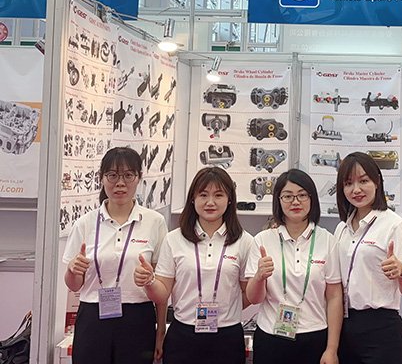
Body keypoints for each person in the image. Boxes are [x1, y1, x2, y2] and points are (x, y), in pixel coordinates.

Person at [135, 167, 253, 364]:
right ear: (193, 199)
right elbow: (162, 294)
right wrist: (149, 280)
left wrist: (227, 307)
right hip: (183, 335)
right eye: (203, 195)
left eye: (218, 195)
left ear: (229, 199)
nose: (210, 202)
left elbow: (248, 293)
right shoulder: (174, 239)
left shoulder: (245, 241)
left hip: (227, 337)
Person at [63, 147, 168, 364]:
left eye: (128, 175)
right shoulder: (85, 223)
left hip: (137, 317)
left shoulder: (154, 222)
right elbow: (74, 285)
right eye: (112, 175)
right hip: (93, 316)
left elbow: (163, 288)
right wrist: (73, 270)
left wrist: (160, 333)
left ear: (139, 178)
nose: (120, 183)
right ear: (101, 178)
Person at [246, 169, 342, 364]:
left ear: (312, 199)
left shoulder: (327, 241)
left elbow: (334, 297)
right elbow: (254, 298)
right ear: (278, 200)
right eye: (288, 196)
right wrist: (259, 277)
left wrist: (332, 349)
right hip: (271, 337)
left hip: (315, 336)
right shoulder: (262, 240)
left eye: (302, 195)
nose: (295, 202)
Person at [334, 152, 402, 364]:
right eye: (348, 183)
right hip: (344, 328)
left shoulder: (394, 225)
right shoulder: (341, 228)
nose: (356, 189)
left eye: (363, 181)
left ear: (377, 181)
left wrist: (401, 271)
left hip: (382, 332)